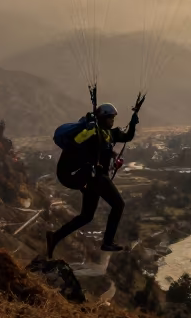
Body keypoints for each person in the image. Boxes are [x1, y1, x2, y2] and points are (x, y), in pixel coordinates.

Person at [47, 102, 138, 258]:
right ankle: (108, 242)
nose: (112, 121)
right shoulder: (92, 133)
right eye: (110, 118)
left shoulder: (111, 133)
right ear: (102, 118)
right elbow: (75, 143)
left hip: (94, 178)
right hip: (94, 176)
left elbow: (128, 136)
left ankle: (54, 237)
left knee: (87, 216)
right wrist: (88, 131)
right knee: (119, 205)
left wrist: (134, 120)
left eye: (113, 118)